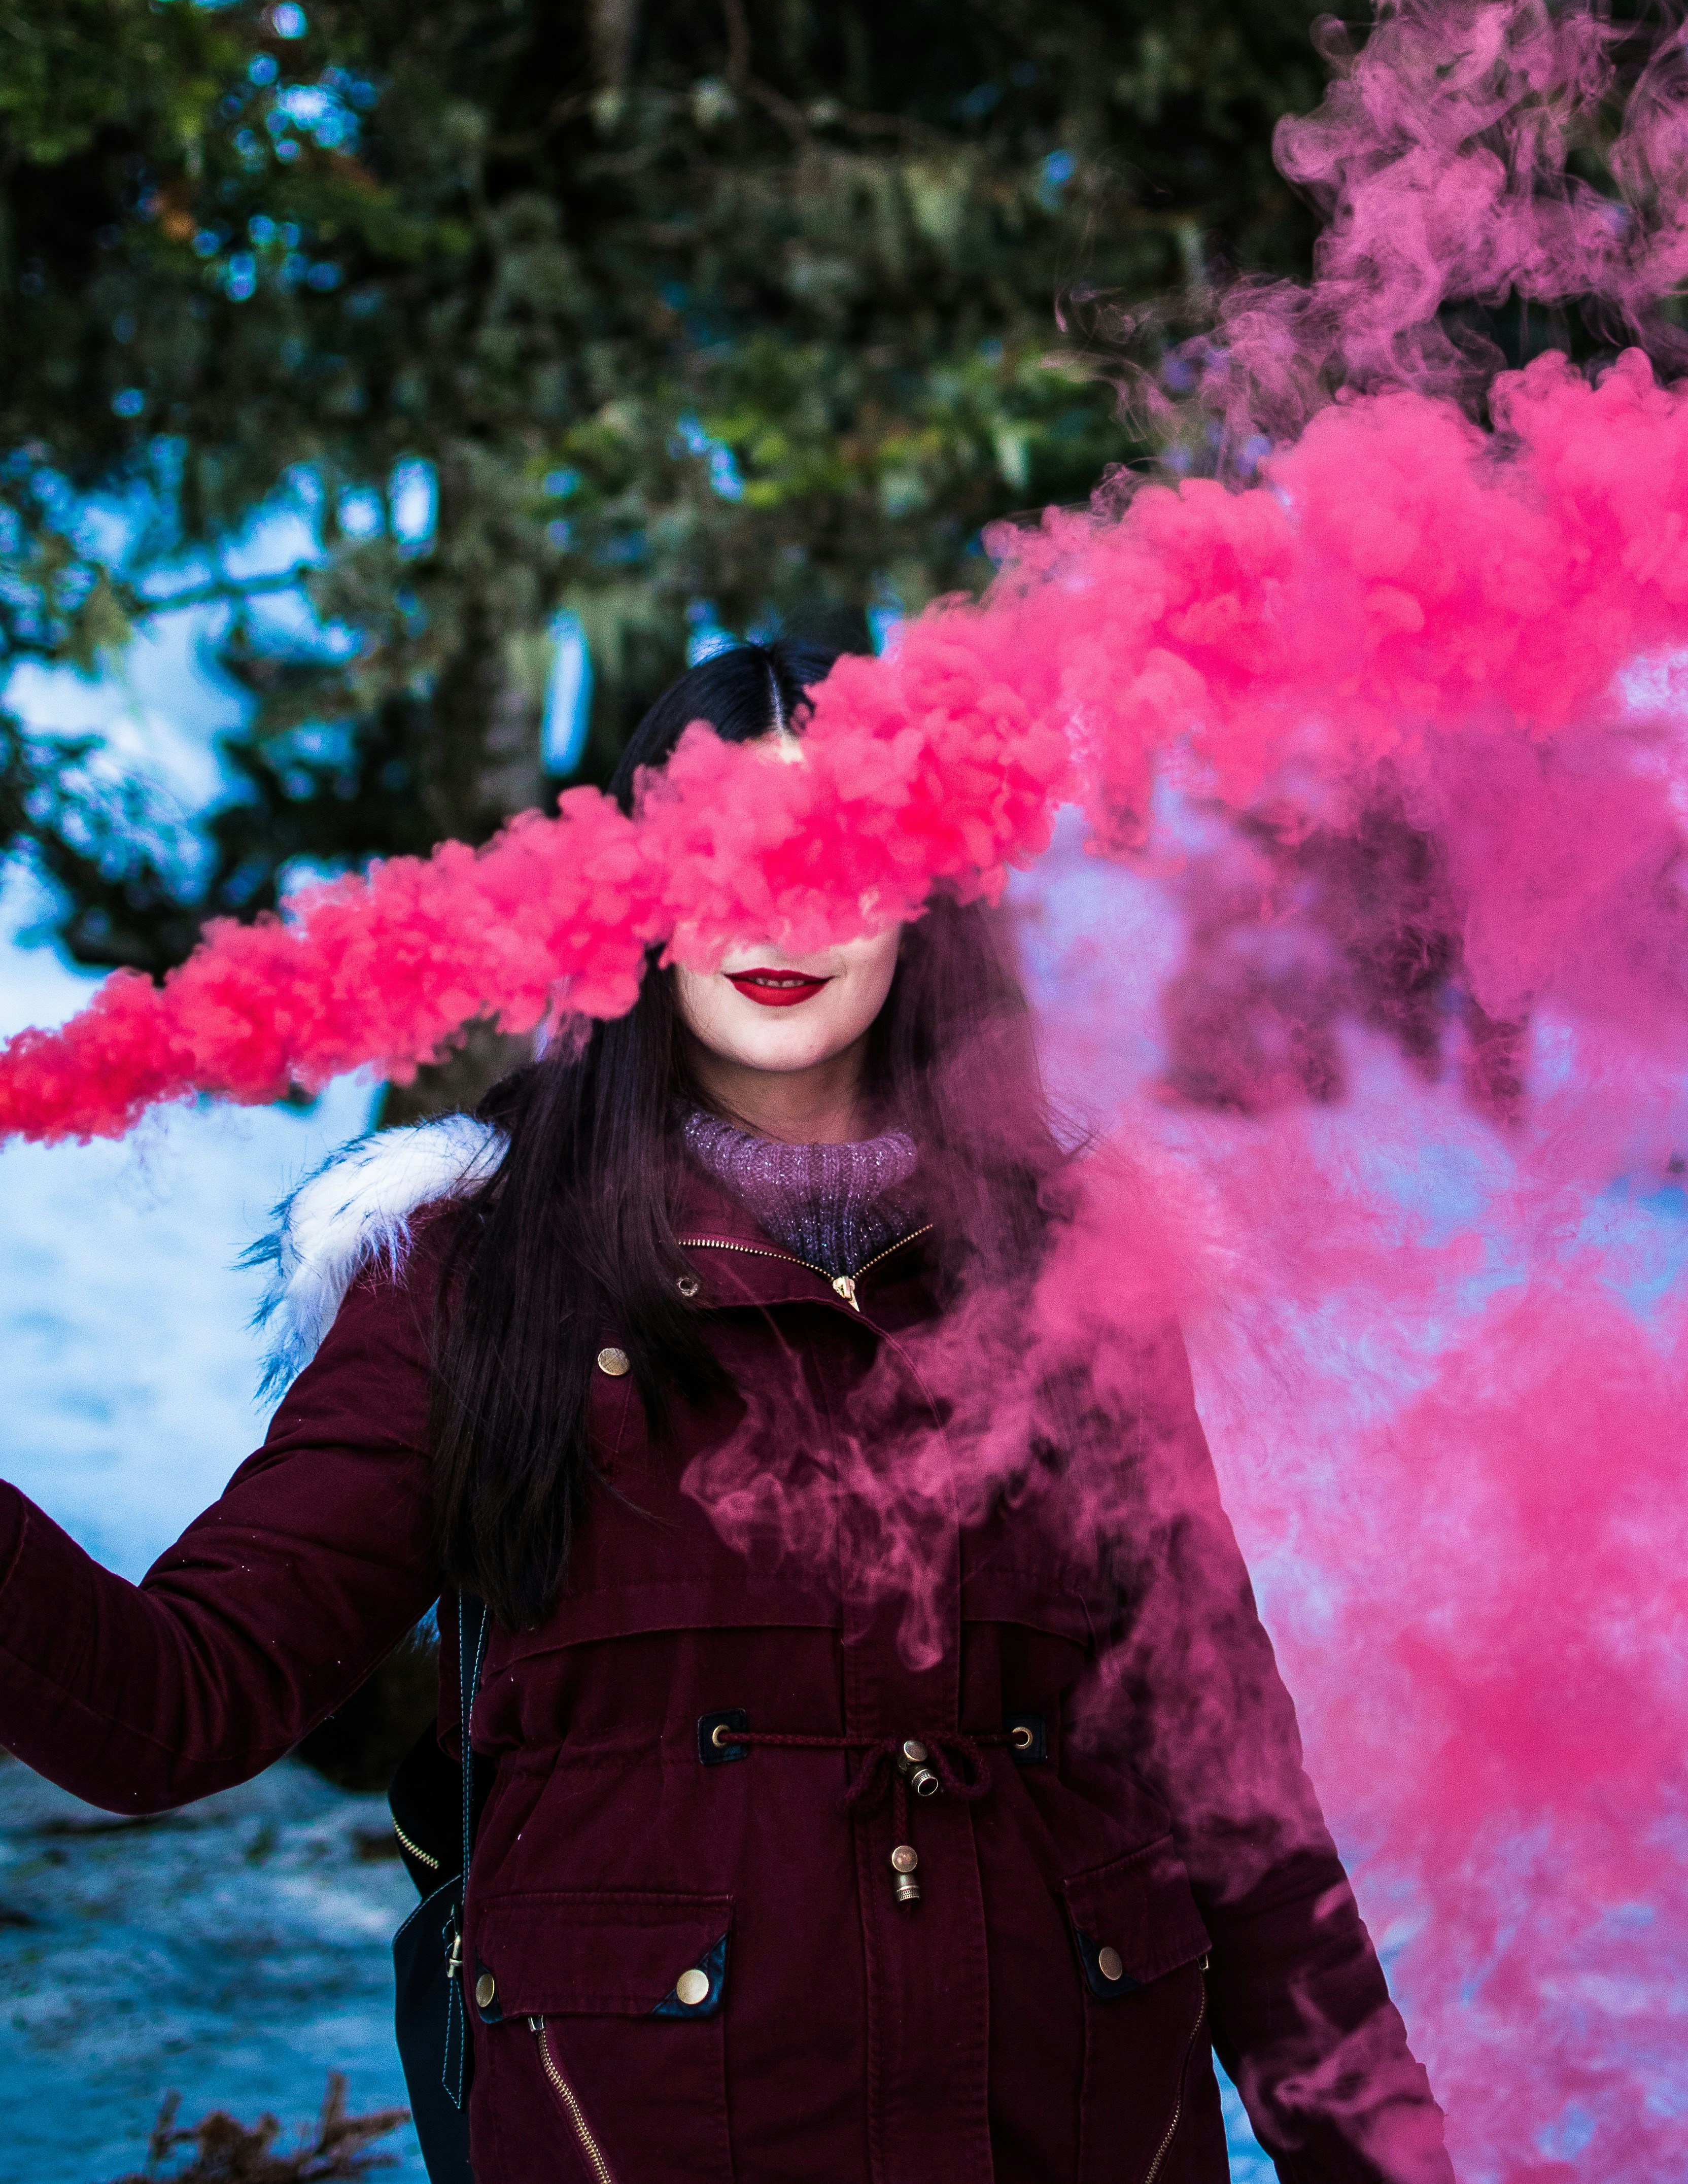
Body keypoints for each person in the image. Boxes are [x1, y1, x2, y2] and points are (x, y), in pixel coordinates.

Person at [0, 639, 1453, 2184]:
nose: (785, 912)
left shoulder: (1077, 1274)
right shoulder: (473, 1277)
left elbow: (1238, 1802)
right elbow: (172, 1706)